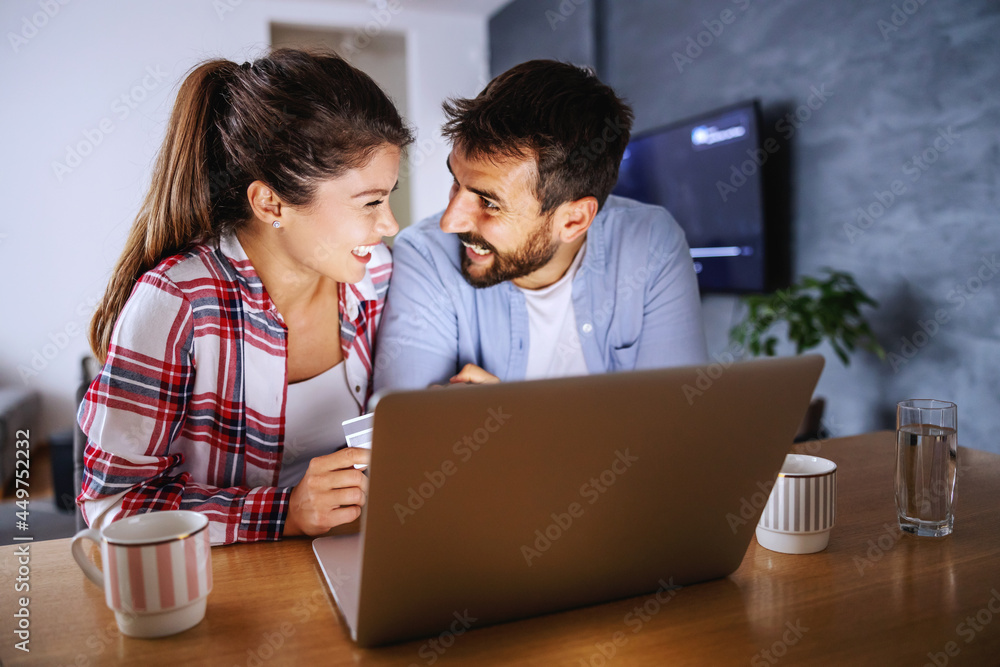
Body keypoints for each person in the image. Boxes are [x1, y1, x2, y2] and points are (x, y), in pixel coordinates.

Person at [78, 49, 412, 545]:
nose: (390, 225)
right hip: (232, 586)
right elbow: (113, 504)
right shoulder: (178, 303)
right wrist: (286, 511)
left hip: (357, 553)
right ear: (270, 202)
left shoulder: (374, 276)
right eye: (371, 203)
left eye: (389, 196)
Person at [373, 60, 707, 393]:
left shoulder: (651, 244)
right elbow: (404, 430)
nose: (449, 222)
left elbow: (673, 427)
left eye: (489, 203)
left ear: (573, 220)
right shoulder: (425, 254)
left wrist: (513, 423)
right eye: (456, 182)